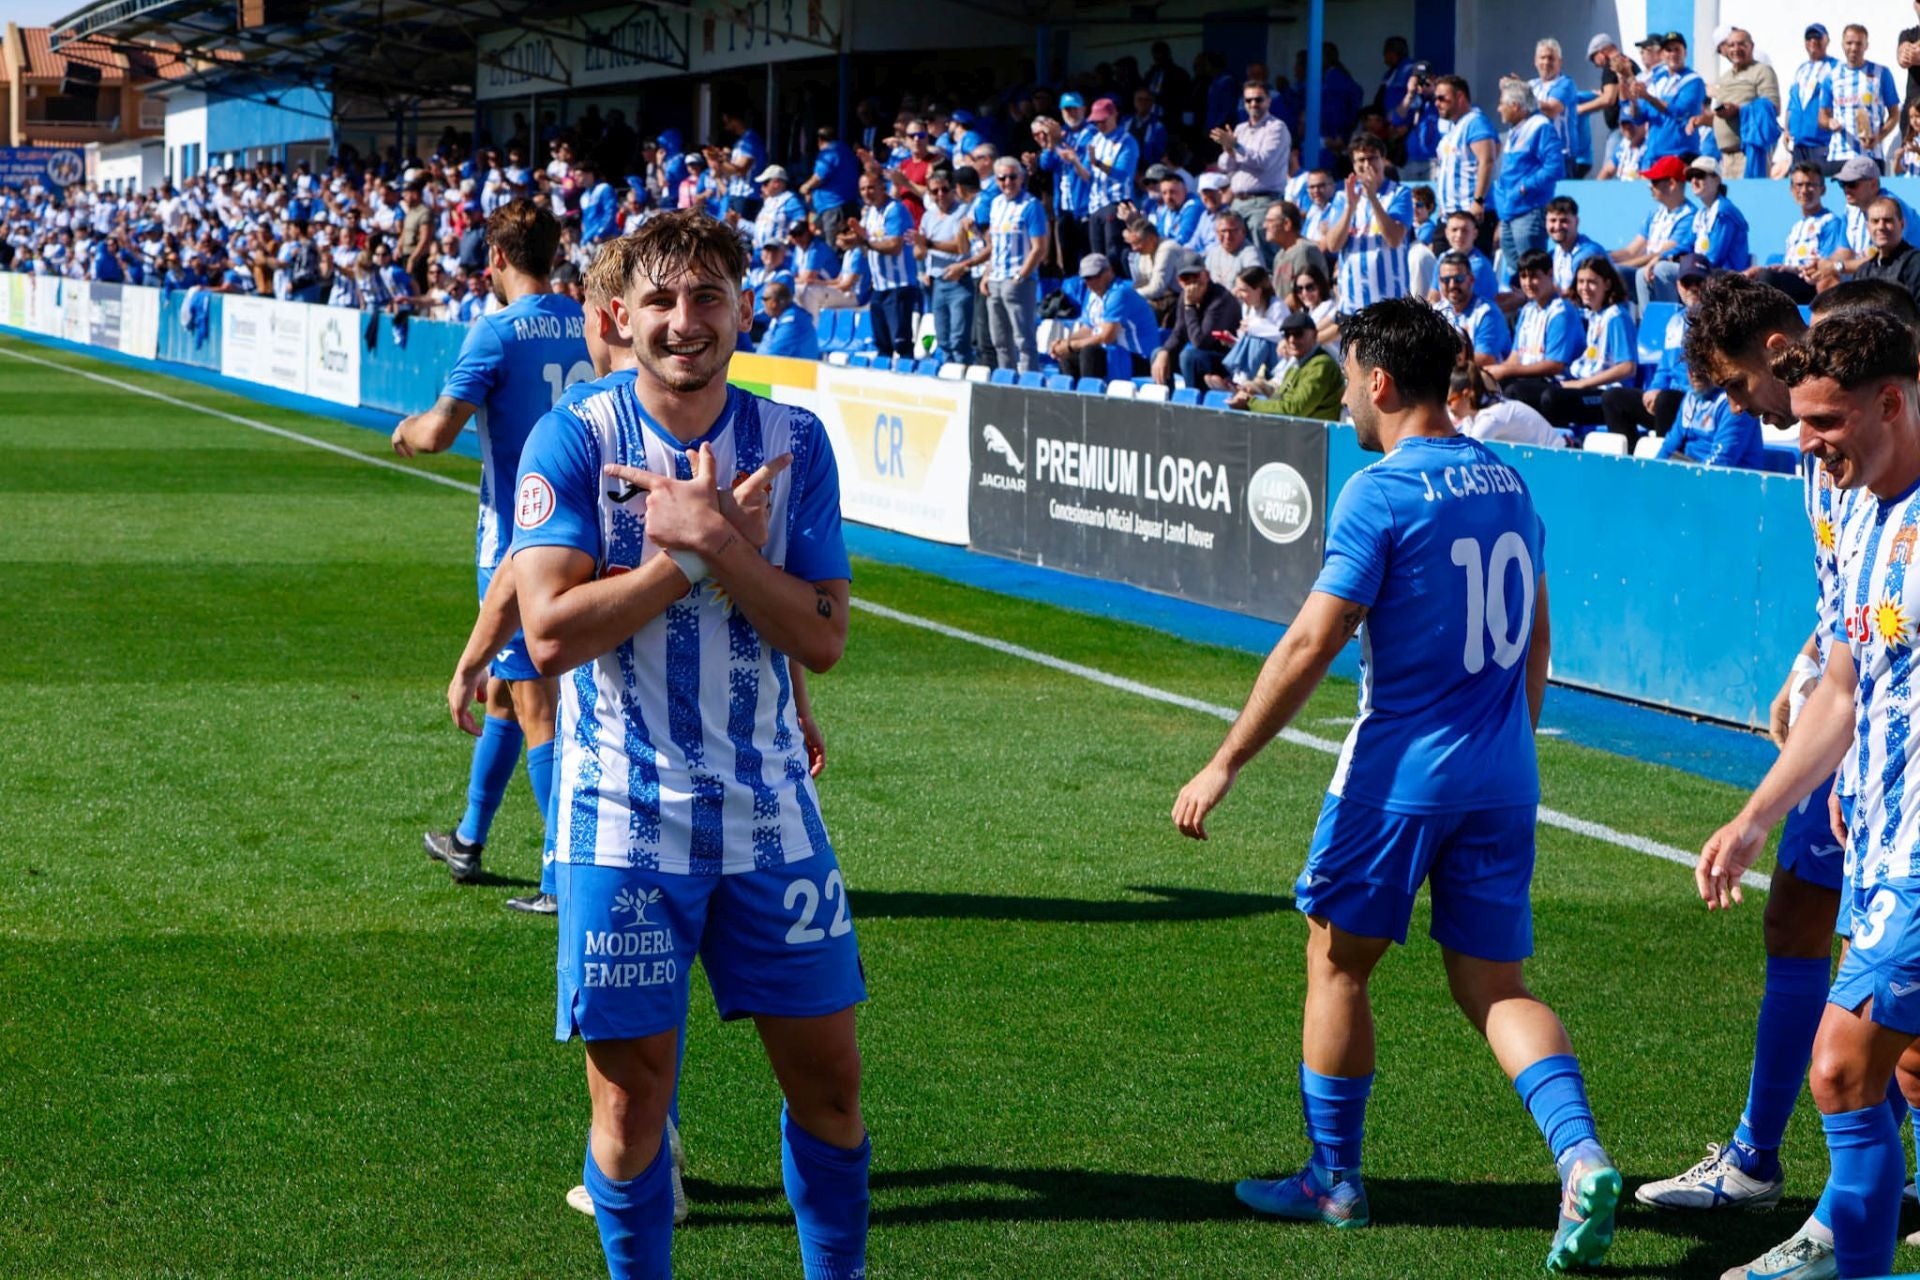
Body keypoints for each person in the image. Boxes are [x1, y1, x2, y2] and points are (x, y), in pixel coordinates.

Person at [1171, 295, 1619, 1270]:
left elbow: (1310, 640)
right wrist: (1511, 739)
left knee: (1337, 962)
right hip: (1503, 776)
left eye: (1346, 381)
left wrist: (1224, 759)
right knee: (1494, 983)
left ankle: (1334, 1179)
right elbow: (1538, 636)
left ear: (1379, 381)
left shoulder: (1379, 489)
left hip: (1397, 778)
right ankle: (1580, 1154)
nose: (1342, 402)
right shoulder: (1508, 479)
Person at [511, 208, 867, 1280]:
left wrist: (714, 536)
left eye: (707, 295)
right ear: (619, 316)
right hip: (621, 817)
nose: (685, 320)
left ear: (742, 308)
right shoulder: (576, 435)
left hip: (771, 815)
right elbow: (548, 632)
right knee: (631, 1101)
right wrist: (693, 554)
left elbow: (822, 631)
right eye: (660, 300)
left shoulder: (794, 440)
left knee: (833, 1086)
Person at [1696, 312, 1920, 1280]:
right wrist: (1758, 813)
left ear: (1893, 400)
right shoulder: (1862, 508)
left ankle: (1845, 1250)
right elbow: (1842, 688)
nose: (1807, 441)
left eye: (1826, 421)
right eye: (1801, 419)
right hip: (1874, 831)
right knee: (1899, 1068)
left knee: (1841, 1067)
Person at [389, 199, 588, 912]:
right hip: (583, 531)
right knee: (506, 692)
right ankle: (470, 840)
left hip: (517, 541)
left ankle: (566, 879)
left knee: (537, 704)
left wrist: (405, 429)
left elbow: (440, 433)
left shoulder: (495, 331)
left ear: (497, 259)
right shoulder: (586, 320)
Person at [1511, 256, 1636, 429]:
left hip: (1606, 394)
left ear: (1607, 284)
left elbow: (1627, 367)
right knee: (1517, 392)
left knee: (1553, 399)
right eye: (1580, 282)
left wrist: (1582, 384)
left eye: (1591, 282)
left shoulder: (1617, 317)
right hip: (1581, 385)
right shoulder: (1593, 315)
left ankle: (1560, 444)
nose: (1584, 288)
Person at [972, 156, 1047, 371]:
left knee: (1023, 339)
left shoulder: (1031, 206)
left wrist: (1021, 276)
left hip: (1017, 280)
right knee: (999, 341)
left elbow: (1039, 247)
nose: (1007, 182)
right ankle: (1007, 381)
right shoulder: (995, 204)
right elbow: (995, 245)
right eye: (1002, 178)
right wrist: (987, 274)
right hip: (995, 278)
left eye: (1012, 177)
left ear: (1021, 178)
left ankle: (1027, 385)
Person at [1324, 133, 1411, 311]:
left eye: (1372, 158)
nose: (1367, 165)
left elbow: (1394, 239)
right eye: (1361, 160)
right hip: (1352, 304)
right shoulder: (1343, 197)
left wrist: (1372, 197)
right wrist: (1350, 208)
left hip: (1391, 304)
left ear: (1383, 160)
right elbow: (1333, 245)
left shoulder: (1400, 193)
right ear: (1354, 165)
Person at [1491, 79, 1564, 279]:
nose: (1499, 109)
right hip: (1509, 212)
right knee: (1517, 275)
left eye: (1502, 104)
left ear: (1515, 106)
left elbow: (1555, 167)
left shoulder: (1540, 127)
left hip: (1529, 211)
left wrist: (1525, 187)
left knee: (1532, 272)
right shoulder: (1516, 130)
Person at [842, 170, 918, 359]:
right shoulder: (870, 213)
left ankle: (908, 381)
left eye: (871, 187)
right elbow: (868, 247)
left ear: (882, 188)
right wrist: (855, 241)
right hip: (879, 286)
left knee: (900, 343)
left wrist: (865, 241)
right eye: (862, 189)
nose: (867, 192)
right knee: (882, 344)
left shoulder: (895, 210)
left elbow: (894, 246)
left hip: (898, 286)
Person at [1213, 78, 1293, 251]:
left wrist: (1235, 146)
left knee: (1262, 254)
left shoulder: (1276, 128)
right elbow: (1226, 166)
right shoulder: (1240, 129)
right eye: (1249, 100)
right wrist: (1228, 148)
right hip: (1238, 202)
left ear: (1268, 101)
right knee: (1233, 251)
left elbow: (1263, 162)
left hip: (1263, 202)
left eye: (1258, 99)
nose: (1253, 104)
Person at [1049, 252, 1158, 379]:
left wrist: (1071, 346)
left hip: (1138, 358)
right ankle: (1070, 396)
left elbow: (1107, 337)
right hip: (1114, 356)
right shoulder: (1092, 295)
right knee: (1068, 356)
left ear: (1109, 272)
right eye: (1087, 278)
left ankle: (1090, 395)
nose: (1091, 282)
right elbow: (1089, 329)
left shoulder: (1119, 293)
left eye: (1095, 276)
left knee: (1089, 352)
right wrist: (1065, 344)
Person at [1608, 156, 1696, 311]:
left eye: (1654, 181)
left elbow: (1661, 254)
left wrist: (1614, 267)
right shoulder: (1655, 215)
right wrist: (1604, 258)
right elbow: (1631, 251)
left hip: (1662, 277)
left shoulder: (1689, 217)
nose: (1650, 186)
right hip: (1646, 271)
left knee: (1617, 273)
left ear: (1671, 184)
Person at [1487, 249, 1582, 390]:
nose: (1528, 283)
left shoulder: (1561, 312)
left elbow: (1555, 365)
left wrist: (1505, 371)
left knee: (1513, 391)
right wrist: (1489, 373)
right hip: (1529, 380)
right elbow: (1515, 357)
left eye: (1533, 277)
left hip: (1558, 384)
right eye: (1523, 277)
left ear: (1550, 274)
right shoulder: (1527, 310)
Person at [1750, 163, 1844, 303]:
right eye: (1799, 185)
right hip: (1790, 280)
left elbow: (1825, 265)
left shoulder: (1830, 222)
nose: (1804, 190)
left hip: (1811, 284)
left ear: (1822, 190)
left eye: (1810, 184)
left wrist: (1791, 269)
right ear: (1791, 190)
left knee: (1767, 278)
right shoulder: (1796, 227)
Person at [911, 171, 974, 366]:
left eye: (944, 189)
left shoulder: (963, 212)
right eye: (934, 191)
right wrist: (921, 247)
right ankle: (950, 375)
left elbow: (960, 247)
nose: (940, 194)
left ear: (953, 189)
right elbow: (918, 251)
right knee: (944, 340)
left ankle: (963, 376)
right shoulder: (928, 217)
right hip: (937, 282)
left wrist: (928, 244)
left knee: (959, 340)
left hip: (959, 281)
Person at [1153, 256, 1241, 388]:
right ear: (1179, 282)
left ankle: (1193, 403)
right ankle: (1166, 400)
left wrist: (1190, 307)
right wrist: (1165, 351)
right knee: (1158, 354)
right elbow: (1179, 333)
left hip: (1225, 357)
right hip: (1202, 354)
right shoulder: (1185, 296)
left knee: (1189, 357)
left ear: (1206, 275)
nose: (1192, 283)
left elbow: (1201, 342)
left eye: (1196, 276)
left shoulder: (1220, 299)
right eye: (1186, 279)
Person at [1238, 310, 1343, 420]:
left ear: (1314, 335)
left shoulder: (1322, 365)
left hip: (1316, 435)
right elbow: (1278, 399)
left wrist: (1250, 403)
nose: (1292, 340)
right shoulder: (1296, 366)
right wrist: (1257, 389)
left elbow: (1294, 410)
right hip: (1299, 431)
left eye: (1298, 333)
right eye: (1287, 335)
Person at [1822, 25, 1898, 172]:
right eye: (1849, 43)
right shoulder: (1832, 76)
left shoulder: (1881, 73)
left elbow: (1894, 113)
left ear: (1866, 46)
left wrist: (1880, 136)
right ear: (1843, 44)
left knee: (1872, 196)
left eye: (1859, 43)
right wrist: (1830, 122)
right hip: (1840, 154)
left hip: (1871, 154)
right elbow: (1822, 116)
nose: (1854, 48)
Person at [1034, 94, 1095, 271]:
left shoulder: (1091, 133)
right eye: (1067, 109)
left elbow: (1088, 170)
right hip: (1063, 207)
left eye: (1075, 108)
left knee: (1088, 259)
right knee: (1068, 261)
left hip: (1085, 206)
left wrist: (1073, 157)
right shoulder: (1061, 134)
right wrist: (1051, 143)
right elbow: (1046, 165)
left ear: (1084, 109)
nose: (1072, 113)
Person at [1077, 97, 1140, 263]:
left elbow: (1122, 174)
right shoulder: (1095, 140)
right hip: (1095, 205)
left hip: (1116, 203)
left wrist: (1097, 163)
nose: (1099, 125)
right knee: (1097, 256)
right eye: (1096, 122)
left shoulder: (1127, 141)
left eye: (1103, 120)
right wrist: (1073, 161)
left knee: (1114, 254)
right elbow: (1086, 174)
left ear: (1114, 115)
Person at [1433, 75, 1498, 231]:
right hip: (1449, 215)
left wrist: (1478, 201)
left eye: (1442, 98)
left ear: (1460, 97)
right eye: (1436, 98)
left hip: (1470, 214)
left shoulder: (1475, 122)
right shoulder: (1451, 127)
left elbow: (1487, 160)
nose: (1437, 103)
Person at [1450, 364, 1565, 447]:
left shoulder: (1491, 417)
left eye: (1449, 401)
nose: (1448, 408)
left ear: (1466, 395)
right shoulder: (1470, 418)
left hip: (1560, 462)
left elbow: (1467, 454)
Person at [1435, 250, 1511, 366]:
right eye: (1446, 280)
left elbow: (1485, 359)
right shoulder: (1436, 311)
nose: (1452, 285)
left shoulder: (1487, 313)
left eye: (1458, 279)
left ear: (1471, 280)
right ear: (1439, 282)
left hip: (1481, 379)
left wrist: (1439, 366)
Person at [1530, 39, 1590, 177]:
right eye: (1542, 58)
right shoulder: (1532, 85)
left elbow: (1551, 110)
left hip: (1561, 157)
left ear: (1560, 62)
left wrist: (1523, 96)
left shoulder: (1565, 83)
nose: (1546, 62)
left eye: (1551, 58)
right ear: (1535, 61)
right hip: (1536, 157)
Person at [1788, 25, 1840, 172]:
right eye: (1809, 38)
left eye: (1817, 37)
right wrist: (1787, 130)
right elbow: (1792, 102)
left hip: (1821, 142)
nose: (1813, 41)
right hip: (1799, 143)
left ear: (1827, 40)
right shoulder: (1801, 69)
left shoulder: (1835, 67)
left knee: (1820, 185)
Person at [1851, 196, 1920, 305]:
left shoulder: (1915, 263)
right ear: (1868, 227)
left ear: (1902, 224)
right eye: (1875, 221)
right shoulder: (1862, 272)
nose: (1881, 227)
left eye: (1888, 220)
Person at [799, 126, 860, 246]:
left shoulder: (829, 152)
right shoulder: (846, 150)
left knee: (833, 247)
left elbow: (819, 177)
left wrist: (806, 187)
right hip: (846, 204)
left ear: (820, 140)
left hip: (833, 207)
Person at [1261, 201, 1330, 290]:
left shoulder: (1305, 251)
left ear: (1287, 224)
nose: (1264, 226)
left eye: (1270, 221)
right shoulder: (1279, 256)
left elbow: (1302, 294)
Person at [1545, 198, 1606, 295]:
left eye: (1564, 221)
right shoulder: (1553, 254)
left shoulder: (1588, 253)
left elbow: (1580, 294)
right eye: (1553, 220)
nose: (1557, 226)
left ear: (1576, 222)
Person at [758, 280, 821, 360]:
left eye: (764, 299)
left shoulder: (793, 323)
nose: (762, 303)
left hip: (795, 371)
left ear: (773, 303)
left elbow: (775, 355)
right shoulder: (780, 317)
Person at [1207, 209, 1265, 291]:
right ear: (1216, 233)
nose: (1228, 236)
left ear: (1243, 232)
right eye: (1223, 231)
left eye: (1232, 231)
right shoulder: (1213, 253)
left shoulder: (1250, 253)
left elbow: (1255, 280)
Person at [1595, 114, 1648, 182]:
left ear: (1644, 124)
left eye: (1631, 124)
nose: (1628, 129)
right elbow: (1607, 171)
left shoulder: (1649, 147)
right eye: (1624, 124)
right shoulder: (1624, 145)